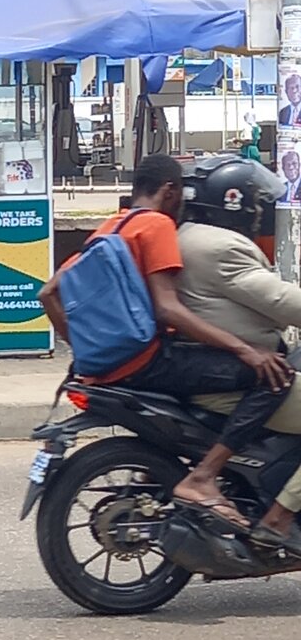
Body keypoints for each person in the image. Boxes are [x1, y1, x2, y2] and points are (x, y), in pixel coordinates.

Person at [40, 154, 294, 529]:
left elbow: (49, 294)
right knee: (272, 374)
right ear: (170, 191)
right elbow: (168, 309)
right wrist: (245, 350)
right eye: (181, 197)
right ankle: (205, 477)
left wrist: (87, 350)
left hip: (106, 367)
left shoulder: (112, 225)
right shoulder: (157, 225)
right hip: (148, 360)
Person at [177, 154, 301, 554]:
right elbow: (282, 302)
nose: (260, 212)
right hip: (234, 377)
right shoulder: (221, 246)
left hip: (212, 365)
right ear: (235, 204)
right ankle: (279, 519)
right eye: (256, 203)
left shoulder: (188, 235)